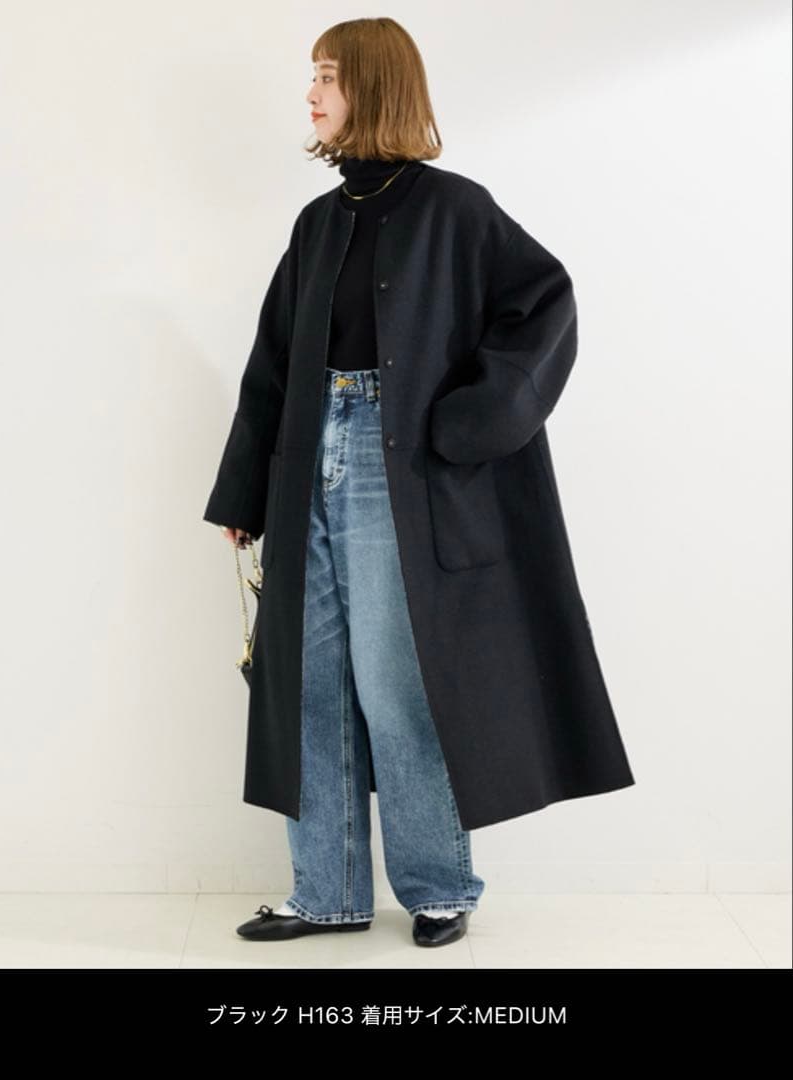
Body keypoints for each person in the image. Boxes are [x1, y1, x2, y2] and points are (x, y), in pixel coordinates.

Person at [207, 17, 635, 949]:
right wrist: (242, 493)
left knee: (397, 684)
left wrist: (466, 423)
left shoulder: (455, 209)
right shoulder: (318, 222)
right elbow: (272, 364)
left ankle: (439, 885)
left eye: (327, 76)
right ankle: (326, 892)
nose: (311, 93)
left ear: (374, 86)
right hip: (304, 458)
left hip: (391, 464)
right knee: (308, 684)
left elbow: (544, 303)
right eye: (312, 76)